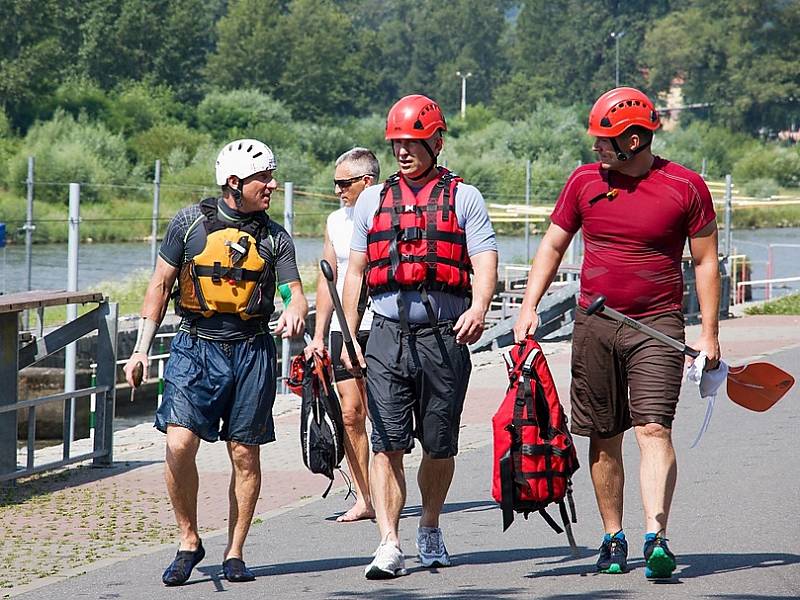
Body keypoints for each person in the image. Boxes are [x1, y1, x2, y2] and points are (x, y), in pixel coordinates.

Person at [513, 87, 721, 579]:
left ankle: (656, 536)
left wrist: (709, 333)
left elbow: (707, 261)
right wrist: (528, 306)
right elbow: (552, 245)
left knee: (653, 428)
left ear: (633, 139)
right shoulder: (584, 182)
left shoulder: (685, 186)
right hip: (595, 324)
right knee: (604, 435)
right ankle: (612, 537)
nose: (596, 148)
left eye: (604, 140)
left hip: (658, 324)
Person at [123, 139, 307, 586]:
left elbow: (292, 291)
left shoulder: (275, 237)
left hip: (250, 349)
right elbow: (160, 285)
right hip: (194, 347)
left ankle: (235, 551)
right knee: (178, 445)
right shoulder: (188, 224)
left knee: (244, 454)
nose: (273, 185)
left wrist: (295, 307)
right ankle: (189, 539)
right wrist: (141, 349)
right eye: (265, 178)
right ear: (234, 182)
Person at [340, 94, 498, 579]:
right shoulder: (372, 200)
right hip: (386, 334)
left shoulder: (463, 197)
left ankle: (429, 525)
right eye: (396, 144)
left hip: (444, 336)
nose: (403, 152)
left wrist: (479, 306)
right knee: (386, 441)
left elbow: (484, 260)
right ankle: (388, 542)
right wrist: (348, 337)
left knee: (439, 444)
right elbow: (355, 272)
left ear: (436, 140)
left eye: (412, 142)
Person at [304, 147, 380, 523]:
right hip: (341, 331)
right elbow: (327, 276)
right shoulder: (335, 221)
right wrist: (319, 334)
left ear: (367, 182)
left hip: (380, 326)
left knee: (383, 414)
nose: (337, 190)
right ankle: (366, 497)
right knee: (350, 414)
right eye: (334, 183)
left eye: (343, 183)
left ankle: (388, 489)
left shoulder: (387, 214)